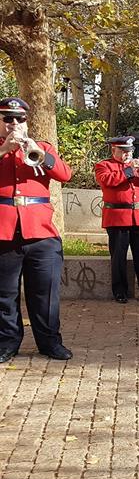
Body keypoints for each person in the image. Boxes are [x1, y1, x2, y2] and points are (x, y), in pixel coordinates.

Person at [0, 97, 73, 363]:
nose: (14, 124)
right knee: (4, 294)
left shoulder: (42, 147)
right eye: (8, 118)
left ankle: (50, 342)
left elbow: (65, 174)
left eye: (19, 119)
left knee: (46, 292)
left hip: (41, 232)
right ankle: (7, 342)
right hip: (4, 232)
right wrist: (4, 150)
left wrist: (40, 153)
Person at [95, 135, 139, 305]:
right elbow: (107, 181)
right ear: (113, 150)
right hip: (117, 218)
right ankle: (120, 291)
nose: (127, 154)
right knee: (118, 257)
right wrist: (129, 170)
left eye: (129, 151)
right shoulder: (104, 165)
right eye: (123, 151)